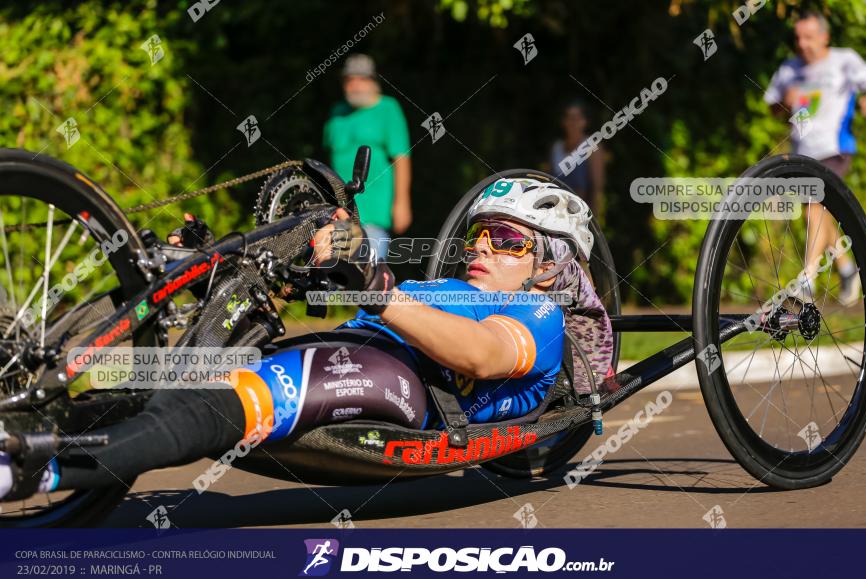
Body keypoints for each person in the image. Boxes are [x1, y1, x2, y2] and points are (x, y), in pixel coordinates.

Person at [0, 179, 611, 502]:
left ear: (551, 264)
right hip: (348, 349)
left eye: (507, 240)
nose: (482, 247)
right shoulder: (449, 284)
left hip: (405, 388)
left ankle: (25, 475)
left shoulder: (537, 312)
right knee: (154, 381)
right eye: (480, 235)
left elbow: (478, 354)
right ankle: (24, 430)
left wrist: (374, 286)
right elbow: (357, 289)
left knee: (229, 396)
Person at [764, 11, 866, 305]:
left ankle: (807, 279)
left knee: (815, 206)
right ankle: (844, 267)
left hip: (835, 147)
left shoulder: (844, 60)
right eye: (798, 38)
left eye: (809, 37)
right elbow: (773, 107)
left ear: (825, 37)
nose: (803, 44)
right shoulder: (790, 69)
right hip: (804, 152)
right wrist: (783, 102)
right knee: (817, 212)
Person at [323, 54, 411, 260]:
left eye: (361, 79)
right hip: (339, 212)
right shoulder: (337, 113)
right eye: (349, 79)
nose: (355, 85)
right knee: (333, 275)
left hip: (373, 212)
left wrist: (402, 203)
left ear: (373, 82)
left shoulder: (388, 108)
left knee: (367, 273)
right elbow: (330, 158)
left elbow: (402, 158)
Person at [548, 101, 606, 223]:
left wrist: (594, 223)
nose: (572, 123)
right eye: (569, 118)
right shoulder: (556, 148)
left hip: (579, 217)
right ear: (563, 122)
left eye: (576, 118)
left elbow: (597, 189)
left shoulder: (591, 148)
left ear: (585, 122)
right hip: (555, 215)